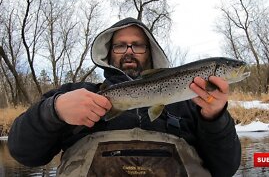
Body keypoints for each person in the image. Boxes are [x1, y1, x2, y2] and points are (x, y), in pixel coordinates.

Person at [8, 17, 241, 176]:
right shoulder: (76, 95)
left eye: (137, 45)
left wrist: (216, 118)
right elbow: (23, 152)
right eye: (121, 45)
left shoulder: (192, 103)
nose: (129, 51)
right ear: (109, 53)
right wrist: (54, 111)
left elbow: (225, 169)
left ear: (150, 53)